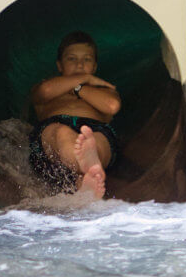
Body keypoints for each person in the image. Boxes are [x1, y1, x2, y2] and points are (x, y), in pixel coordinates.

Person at [28, 31, 122, 199]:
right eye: (72, 59)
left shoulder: (105, 90)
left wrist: (78, 88)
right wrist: (84, 78)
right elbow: (45, 91)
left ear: (94, 66)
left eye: (87, 59)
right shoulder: (47, 87)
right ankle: (87, 166)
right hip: (55, 125)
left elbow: (112, 106)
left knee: (97, 140)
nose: (79, 64)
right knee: (62, 134)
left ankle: (87, 174)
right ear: (59, 65)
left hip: (95, 127)